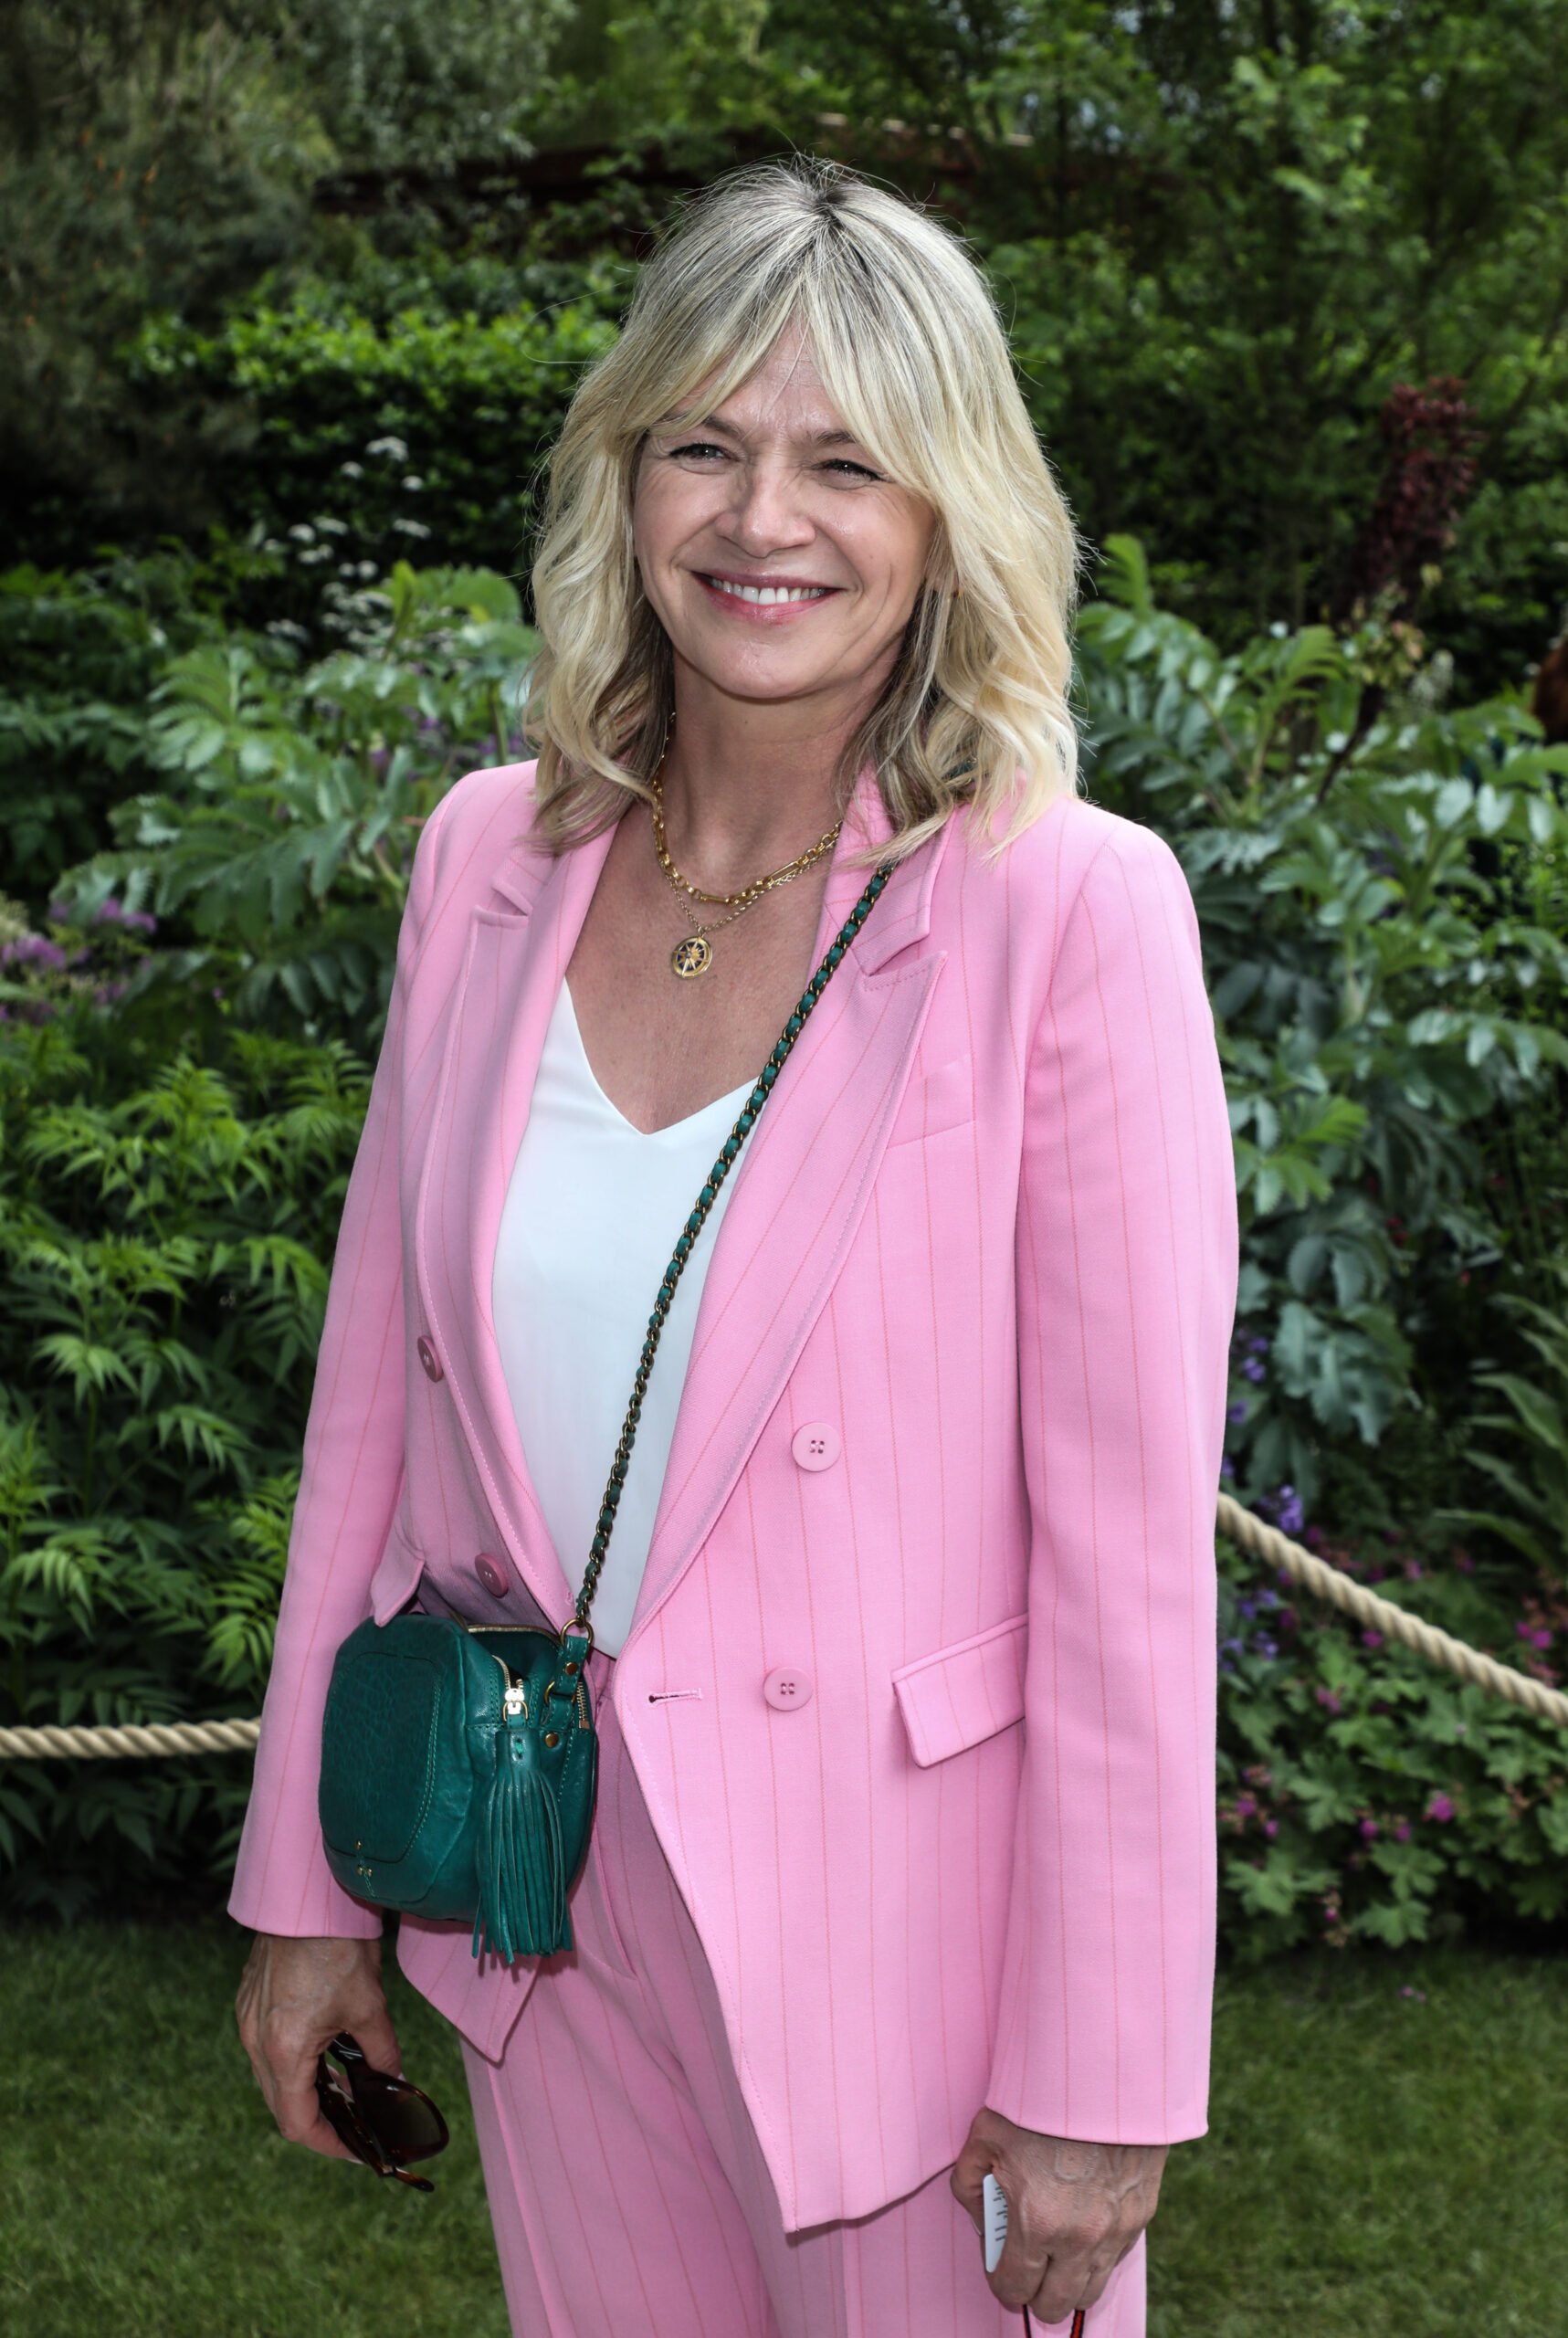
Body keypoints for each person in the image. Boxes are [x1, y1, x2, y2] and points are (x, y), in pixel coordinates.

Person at [231, 159, 1237, 2337]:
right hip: (539, 1912)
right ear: (625, 473)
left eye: (845, 460)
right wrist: (308, 1882)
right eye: (706, 441)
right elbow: (371, 1418)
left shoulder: (1064, 909)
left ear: (950, 511)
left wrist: (1101, 2065)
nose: (763, 517)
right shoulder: (483, 861)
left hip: (915, 1982)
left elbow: (1131, 1553)